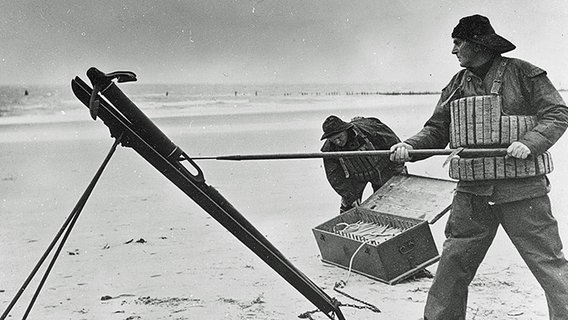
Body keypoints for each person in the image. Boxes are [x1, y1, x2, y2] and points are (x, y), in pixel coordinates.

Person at [390, 15, 568, 319]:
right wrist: (410, 147)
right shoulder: (457, 84)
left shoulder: (525, 73)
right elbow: (436, 130)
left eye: (458, 43)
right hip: (472, 193)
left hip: (523, 192)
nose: (453, 50)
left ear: (477, 44)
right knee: (451, 268)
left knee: (549, 265)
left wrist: (530, 142)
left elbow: (557, 113)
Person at [321, 115, 406, 213]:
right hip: (356, 177)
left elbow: (394, 144)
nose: (338, 142)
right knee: (348, 208)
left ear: (346, 130)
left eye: (339, 137)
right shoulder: (329, 148)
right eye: (333, 140)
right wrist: (350, 196)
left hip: (382, 169)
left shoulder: (369, 129)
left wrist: (398, 169)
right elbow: (334, 175)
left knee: (388, 203)